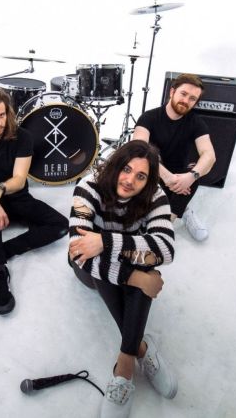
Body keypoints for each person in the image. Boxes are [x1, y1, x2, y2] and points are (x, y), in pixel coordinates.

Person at [68, 140, 176, 418]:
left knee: (140, 262)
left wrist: (104, 241)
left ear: (149, 181)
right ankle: (140, 347)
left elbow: (165, 250)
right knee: (138, 269)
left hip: (118, 257)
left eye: (141, 176)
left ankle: (125, 363)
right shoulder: (88, 187)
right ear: (115, 165)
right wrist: (136, 277)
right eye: (126, 169)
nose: (130, 180)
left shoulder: (155, 196)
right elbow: (78, 252)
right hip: (88, 272)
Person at [0, 87, 68, 315]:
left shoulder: (22, 137)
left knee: (61, 225)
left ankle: (0, 251)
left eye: (2, 115)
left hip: (17, 197)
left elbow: (18, 179)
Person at [133, 73, 216, 241]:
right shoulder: (149, 117)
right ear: (172, 92)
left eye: (192, 98)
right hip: (152, 170)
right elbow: (139, 148)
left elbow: (209, 156)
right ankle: (181, 209)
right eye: (183, 94)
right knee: (140, 164)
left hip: (179, 176)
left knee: (196, 171)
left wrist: (191, 176)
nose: (186, 101)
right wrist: (167, 177)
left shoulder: (196, 122)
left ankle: (166, 223)